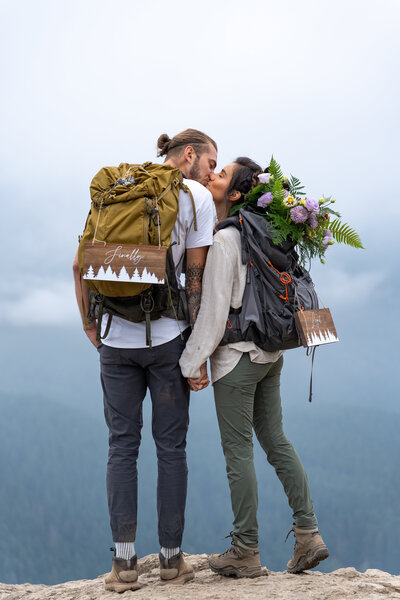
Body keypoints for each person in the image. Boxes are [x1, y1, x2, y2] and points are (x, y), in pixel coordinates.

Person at [72, 129, 217, 592]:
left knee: (122, 447)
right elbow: (194, 280)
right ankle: (173, 562)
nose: (211, 173)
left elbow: (80, 266)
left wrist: (90, 327)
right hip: (167, 340)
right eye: (210, 162)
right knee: (170, 448)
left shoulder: (119, 188)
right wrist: (196, 354)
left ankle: (125, 566)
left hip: (115, 340)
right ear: (190, 155)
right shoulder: (194, 197)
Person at [179, 157, 329, 578]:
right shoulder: (267, 233)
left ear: (238, 194)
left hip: (238, 361)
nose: (212, 176)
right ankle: (308, 534)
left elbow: (212, 313)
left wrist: (191, 362)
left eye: (221, 175)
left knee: (238, 453)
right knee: (276, 440)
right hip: (271, 356)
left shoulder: (229, 239)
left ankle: (245, 550)